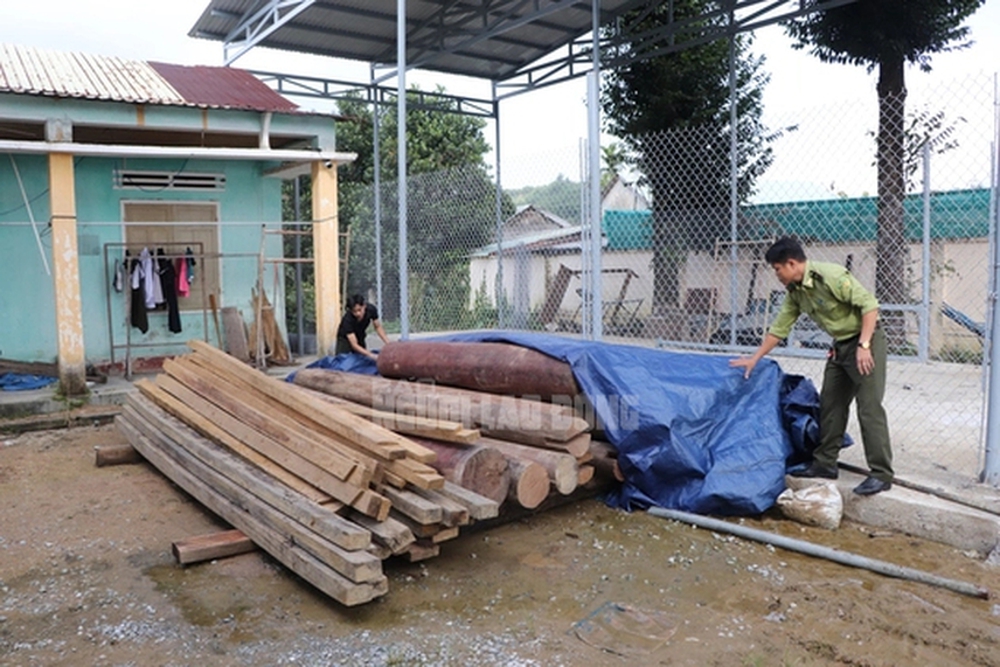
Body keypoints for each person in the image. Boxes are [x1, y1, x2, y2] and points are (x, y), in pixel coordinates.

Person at [730, 237, 893, 496]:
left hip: (866, 341)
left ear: (791, 263)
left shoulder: (831, 276)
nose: (777, 276)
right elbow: (780, 327)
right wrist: (755, 357)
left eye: (777, 269)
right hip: (840, 345)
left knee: (869, 407)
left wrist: (864, 346)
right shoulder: (796, 292)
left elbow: (870, 306)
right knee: (831, 404)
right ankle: (825, 464)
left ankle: (881, 474)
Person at [335, 294, 390, 360]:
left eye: (359, 310)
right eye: (354, 311)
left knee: (362, 359)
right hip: (345, 339)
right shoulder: (347, 320)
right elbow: (354, 345)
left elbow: (377, 327)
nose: (358, 314)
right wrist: (371, 355)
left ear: (364, 306)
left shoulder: (371, 310)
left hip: (360, 335)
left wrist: (388, 343)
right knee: (342, 361)